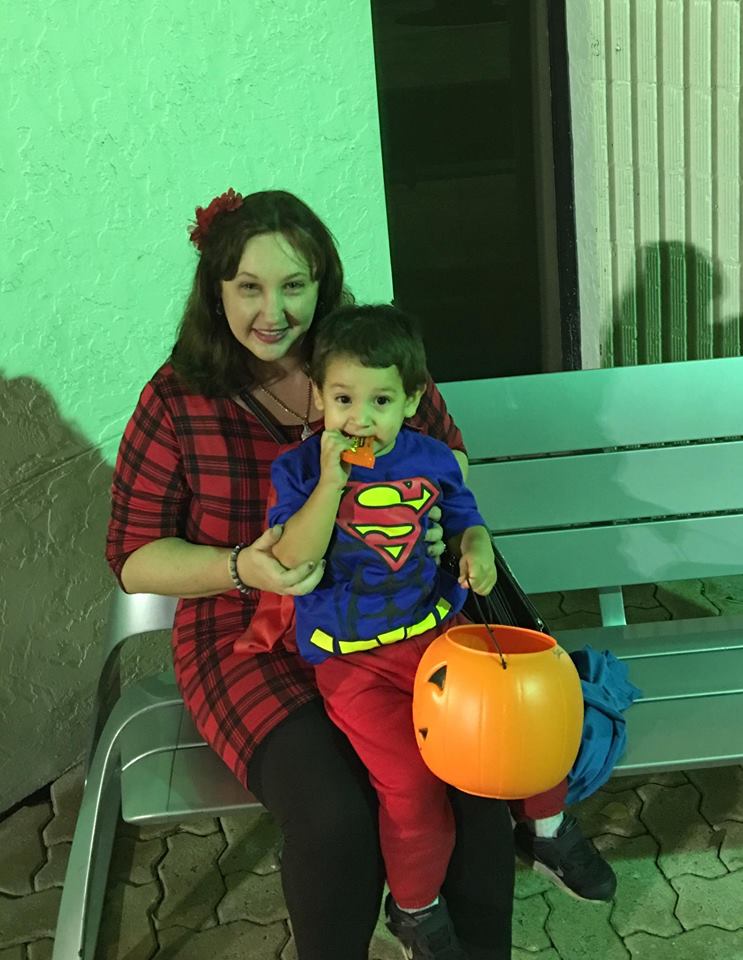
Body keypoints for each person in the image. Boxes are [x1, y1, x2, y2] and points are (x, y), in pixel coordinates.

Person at [105, 187, 515, 960]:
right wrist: (239, 566)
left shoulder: (366, 358)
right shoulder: (177, 398)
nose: (274, 311)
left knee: (474, 782)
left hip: (392, 613)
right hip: (247, 634)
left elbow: (449, 453)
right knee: (333, 814)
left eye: (293, 285)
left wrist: (433, 516)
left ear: (322, 283)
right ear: (216, 291)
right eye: (249, 287)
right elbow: (132, 558)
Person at [238, 306, 615, 959]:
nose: (360, 419)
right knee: (411, 789)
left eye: (380, 401)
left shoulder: (432, 459)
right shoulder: (297, 470)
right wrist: (331, 482)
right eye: (343, 399)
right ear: (318, 396)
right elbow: (294, 558)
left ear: (411, 400)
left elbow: (466, 518)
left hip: (437, 637)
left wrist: (476, 548)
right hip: (354, 664)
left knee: (526, 719)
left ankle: (547, 829)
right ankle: (413, 908)